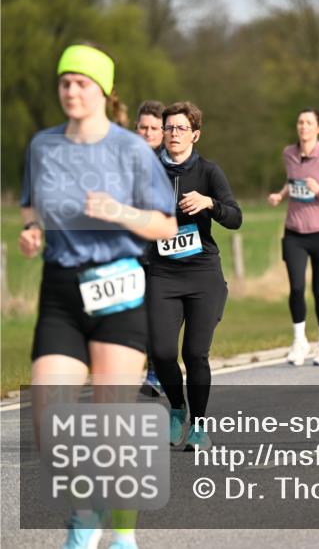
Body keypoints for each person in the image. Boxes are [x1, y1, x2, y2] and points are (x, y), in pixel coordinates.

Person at [19, 43, 177, 549]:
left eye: (82, 83)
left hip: (118, 286)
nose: (71, 91)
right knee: (48, 413)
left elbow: (164, 223)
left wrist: (119, 213)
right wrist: (31, 232)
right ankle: (84, 515)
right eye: (65, 82)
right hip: (62, 288)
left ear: (104, 93)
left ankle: (124, 535)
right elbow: (32, 209)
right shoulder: (43, 146)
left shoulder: (131, 149)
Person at [147, 102, 242, 450]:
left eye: (181, 129)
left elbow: (235, 217)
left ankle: (200, 425)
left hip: (202, 272)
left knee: (196, 353)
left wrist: (209, 204)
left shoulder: (209, 171)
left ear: (195, 134)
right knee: (161, 352)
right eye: (168, 128)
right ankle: (176, 408)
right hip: (163, 272)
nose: (173, 134)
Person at [267, 109, 319, 366]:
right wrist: (280, 195)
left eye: (309, 123)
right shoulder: (288, 153)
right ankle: (299, 341)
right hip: (294, 233)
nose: (303, 127)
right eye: (300, 122)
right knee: (296, 288)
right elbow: (293, 181)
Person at [134, 100, 166, 399]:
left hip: (166, 254)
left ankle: (158, 370)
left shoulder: (172, 161)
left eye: (154, 128)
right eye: (143, 127)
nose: (148, 133)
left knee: (159, 316)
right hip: (134, 250)